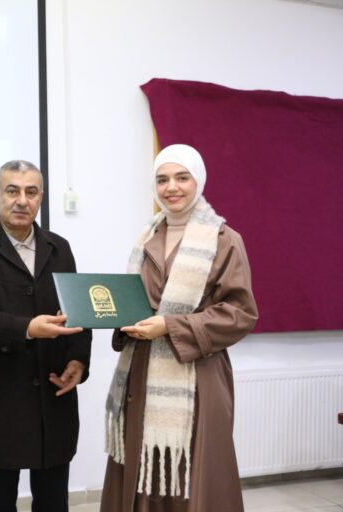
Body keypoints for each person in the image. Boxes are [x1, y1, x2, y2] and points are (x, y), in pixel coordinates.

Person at [101, 144, 259, 511]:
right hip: (141, 372)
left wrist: (170, 326)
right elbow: (135, 300)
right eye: (162, 179)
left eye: (181, 177)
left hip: (198, 377)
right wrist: (122, 320)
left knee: (191, 474)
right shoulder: (147, 237)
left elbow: (240, 313)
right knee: (142, 467)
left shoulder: (224, 239)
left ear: (198, 181)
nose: (171, 187)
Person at [0, 160, 92, 512]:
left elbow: (77, 310)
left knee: (53, 502)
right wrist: (27, 329)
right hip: (0, 397)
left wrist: (78, 360)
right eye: (12, 191)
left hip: (52, 396)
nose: (22, 200)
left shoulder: (59, 247)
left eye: (31, 192)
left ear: (41, 197)